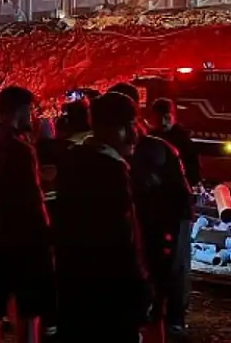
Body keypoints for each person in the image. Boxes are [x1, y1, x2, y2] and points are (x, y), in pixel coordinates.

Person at [56, 92, 152, 343]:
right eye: (131, 125)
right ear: (114, 128)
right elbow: (123, 244)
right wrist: (140, 292)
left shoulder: (72, 161)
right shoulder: (111, 173)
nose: (135, 133)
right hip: (109, 302)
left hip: (74, 295)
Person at [0, 86, 52, 343]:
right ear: (19, 111)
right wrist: (47, 240)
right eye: (30, 110)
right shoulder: (21, 150)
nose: (32, 116)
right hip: (21, 245)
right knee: (28, 316)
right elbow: (33, 202)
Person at [134, 101, 195, 340]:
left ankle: (173, 320)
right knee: (168, 268)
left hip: (172, 214)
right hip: (170, 211)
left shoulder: (151, 149)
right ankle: (167, 320)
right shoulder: (156, 144)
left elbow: (149, 185)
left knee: (173, 268)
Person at [151, 98, 200, 187]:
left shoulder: (183, 140)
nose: (163, 122)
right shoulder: (149, 139)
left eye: (166, 117)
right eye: (159, 118)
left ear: (174, 117)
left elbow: (193, 172)